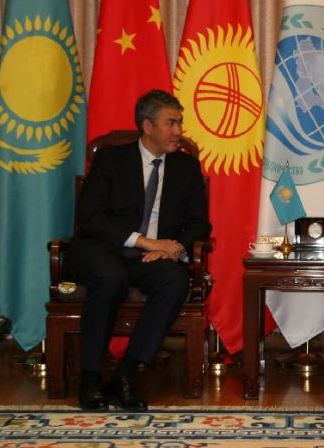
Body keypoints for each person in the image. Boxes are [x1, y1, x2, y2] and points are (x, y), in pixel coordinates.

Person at [71, 90, 211, 411]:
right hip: (103, 249)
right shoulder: (110, 159)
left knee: (175, 280)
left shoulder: (186, 167)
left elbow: (200, 223)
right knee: (111, 278)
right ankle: (90, 379)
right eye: (171, 123)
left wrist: (174, 248)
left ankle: (125, 375)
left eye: (180, 123)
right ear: (147, 126)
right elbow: (90, 217)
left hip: (151, 257)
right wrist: (144, 241)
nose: (178, 131)